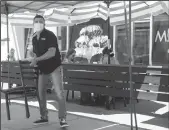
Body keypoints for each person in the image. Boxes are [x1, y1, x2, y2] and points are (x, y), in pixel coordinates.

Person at [25, 15, 68, 127]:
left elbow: (52, 52)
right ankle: (44, 117)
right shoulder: (34, 38)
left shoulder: (50, 35)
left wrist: (36, 59)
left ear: (44, 24)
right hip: (43, 69)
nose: (38, 23)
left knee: (59, 93)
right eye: (36, 21)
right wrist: (32, 57)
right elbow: (36, 54)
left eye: (40, 21)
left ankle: (62, 118)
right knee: (40, 93)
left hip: (54, 67)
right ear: (33, 24)